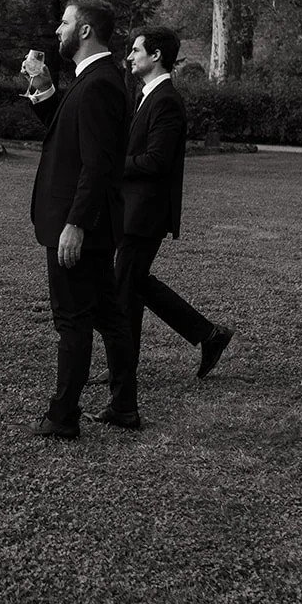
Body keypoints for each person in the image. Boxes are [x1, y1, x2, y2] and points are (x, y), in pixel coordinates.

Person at [27, 0, 140, 438]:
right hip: (88, 221)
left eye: (65, 22)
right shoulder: (92, 79)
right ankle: (124, 407)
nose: (58, 30)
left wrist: (75, 224)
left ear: (85, 30)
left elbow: (97, 165)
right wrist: (43, 88)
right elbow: (68, 131)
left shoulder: (100, 84)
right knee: (108, 315)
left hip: (79, 224)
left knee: (72, 319)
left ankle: (63, 417)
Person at [116, 25, 234, 378]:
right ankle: (206, 336)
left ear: (155, 56)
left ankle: (206, 335)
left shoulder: (166, 99)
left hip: (147, 212)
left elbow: (156, 161)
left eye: (136, 50)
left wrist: (112, 165)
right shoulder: (147, 95)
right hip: (134, 209)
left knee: (127, 283)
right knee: (132, 284)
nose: (129, 56)